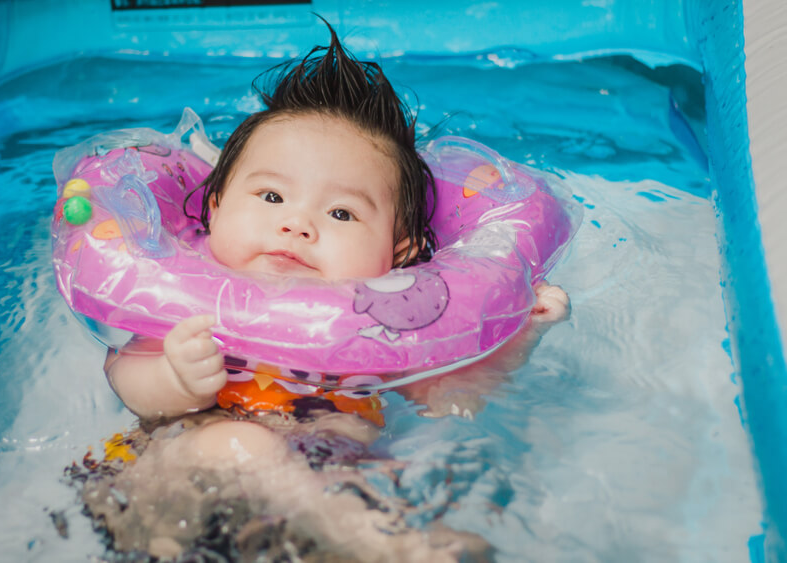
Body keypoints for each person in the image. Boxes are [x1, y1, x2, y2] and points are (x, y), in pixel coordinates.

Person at [79, 22, 569, 562]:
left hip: (326, 491)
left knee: (405, 471)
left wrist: (522, 332)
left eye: (340, 212)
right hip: (173, 480)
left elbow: (447, 402)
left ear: (399, 251)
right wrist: (175, 377)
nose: (297, 224)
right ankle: (387, 547)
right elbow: (125, 377)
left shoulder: (384, 328)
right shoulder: (183, 303)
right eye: (270, 195)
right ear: (215, 208)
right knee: (238, 445)